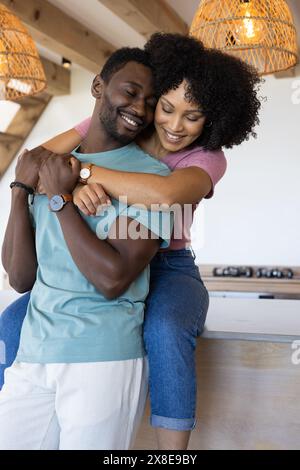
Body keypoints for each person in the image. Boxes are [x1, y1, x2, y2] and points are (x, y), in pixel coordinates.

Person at [0, 33, 261, 450]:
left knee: (165, 327)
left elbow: (166, 195)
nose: (175, 125)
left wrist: (81, 178)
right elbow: (37, 160)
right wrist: (62, 179)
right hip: (103, 261)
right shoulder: (126, 126)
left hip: (168, 265)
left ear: (213, 120)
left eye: (192, 117)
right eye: (167, 108)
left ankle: (171, 452)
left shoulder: (206, 158)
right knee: (13, 321)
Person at [0, 47, 173, 450]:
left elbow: (113, 279)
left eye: (150, 102)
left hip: (102, 357)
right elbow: (20, 277)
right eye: (130, 93)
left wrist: (60, 200)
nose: (139, 109)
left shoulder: (150, 177)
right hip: (35, 353)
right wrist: (19, 190)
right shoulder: (51, 166)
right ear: (99, 87)